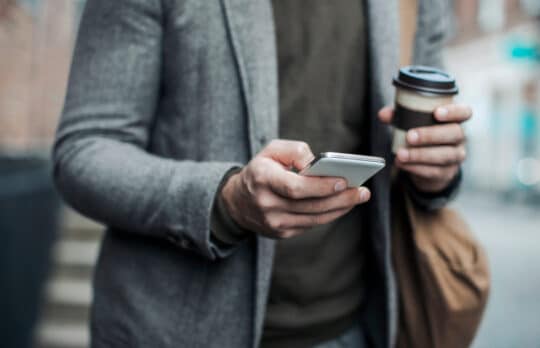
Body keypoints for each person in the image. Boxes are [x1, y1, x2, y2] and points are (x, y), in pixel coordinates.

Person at [53, 0, 471, 347]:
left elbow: (424, 123)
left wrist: (436, 173)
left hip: (354, 329)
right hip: (173, 330)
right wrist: (223, 202)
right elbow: (85, 149)